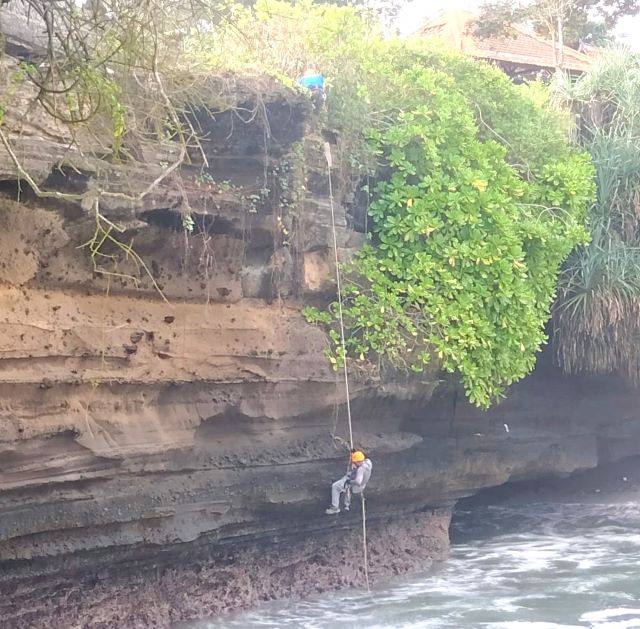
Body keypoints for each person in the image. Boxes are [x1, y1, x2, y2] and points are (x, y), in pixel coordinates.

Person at [325, 449, 372, 515]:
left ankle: (335, 508)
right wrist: (354, 454)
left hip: (356, 486)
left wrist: (350, 482)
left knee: (335, 486)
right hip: (362, 483)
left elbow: (358, 482)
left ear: (358, 462)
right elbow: (359, 459)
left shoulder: (361, 470)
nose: (353, 463)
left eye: (355, 462)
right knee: (347, 475)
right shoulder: (368, 462)